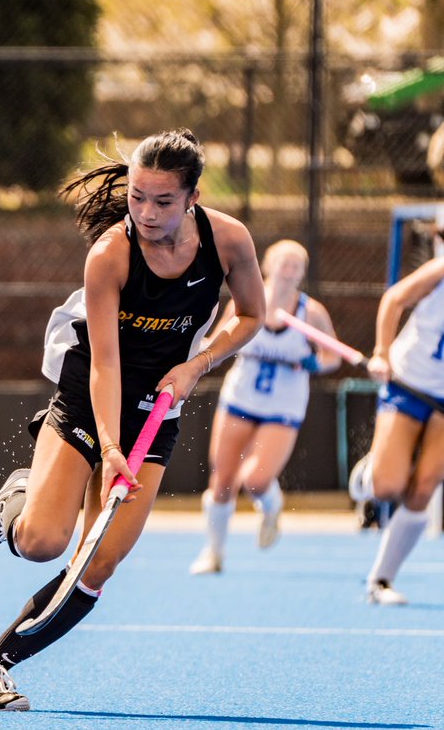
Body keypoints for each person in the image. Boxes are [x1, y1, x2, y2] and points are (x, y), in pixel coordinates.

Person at [0, 129, 264, 711]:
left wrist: (197, 366)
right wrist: (112, 446)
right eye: (137, 197)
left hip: (160, 403)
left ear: (193, 196)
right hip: (91, 390)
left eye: (162, 201)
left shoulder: (229, 241)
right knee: (44, 542)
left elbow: (252, 315)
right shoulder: (110, 255)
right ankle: (14, 500)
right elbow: (105, 363)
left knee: (97, 564)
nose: (145, 212)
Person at [188, 240, 341, 574]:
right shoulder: (248, 300)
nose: (289, 270)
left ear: (303, 272)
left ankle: (271, 507)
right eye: (283, 262)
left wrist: (312, 362)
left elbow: (333, 356)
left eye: (296, 264)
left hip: (283, 406)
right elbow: (219, 340)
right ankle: (214, 553)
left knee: (255, 479)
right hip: (240, 399)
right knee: (223, 480)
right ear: (267, 266)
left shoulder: (309, 312)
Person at [347, 238, 444, 606]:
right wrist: (382, 352)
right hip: (407, 382)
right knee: (388, 485)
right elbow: (394, 300)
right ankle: (373, 468)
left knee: (424, 487)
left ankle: (381, 580)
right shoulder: (440, 270)